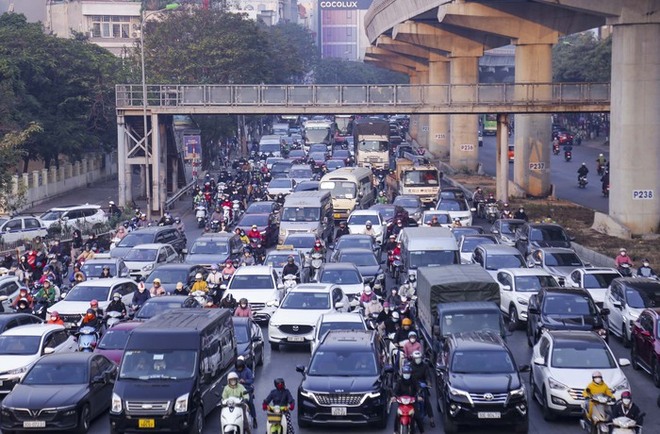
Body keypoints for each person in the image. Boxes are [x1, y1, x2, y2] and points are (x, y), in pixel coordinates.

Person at [393, 365, 425, 434]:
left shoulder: (413, 380)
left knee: (417, 417)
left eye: (408, 373)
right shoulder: (400, 381)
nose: (406, 375)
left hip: (412, 402)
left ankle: (422, 431)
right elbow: (395, 390)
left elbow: (418, 387)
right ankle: (395, 431)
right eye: (405, 373)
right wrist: (394, 396)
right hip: (402, 402)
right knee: (397, 416)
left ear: (410, 374)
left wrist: (419, 395)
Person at [410, 351, 435, 427]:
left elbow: (427, 376)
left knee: (426, 401)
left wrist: (428, 383)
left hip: (422, 385)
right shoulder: (410, 366)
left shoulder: (425, 366)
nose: (418, 359)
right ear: (413, 358)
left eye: (419, 358)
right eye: (416, 358)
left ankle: (431, 419)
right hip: (412, 385)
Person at [236, 356, 257, 428]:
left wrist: (244, 381)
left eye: (240, 368)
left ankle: (254, 418)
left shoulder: (248, 371)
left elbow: (251, 380)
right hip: (237, 390)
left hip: (247, 389)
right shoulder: (234, 371)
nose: (239, 369)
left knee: (250, 403)